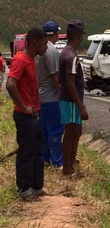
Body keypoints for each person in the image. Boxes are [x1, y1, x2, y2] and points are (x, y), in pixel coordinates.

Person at [6, 28, 48, 198]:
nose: (46, 47)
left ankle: (36, 186)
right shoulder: (21, 60)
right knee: (27, 151)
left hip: (34, 114)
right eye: (44, 43)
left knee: (38, 150)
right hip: (25, 116)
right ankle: (24, 189)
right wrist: (23, 107)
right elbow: (10, 84)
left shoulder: (31, 60)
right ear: (34, 42)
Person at [59, 20, 88, 179]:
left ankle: (71, 165)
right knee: (71, 133)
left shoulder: (66, 52)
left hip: (69, 100)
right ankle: (67, 169)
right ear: (78, 35)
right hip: (70, 101)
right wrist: (81, 106)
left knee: (76, 131)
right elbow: (70, 84)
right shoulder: (71, 56)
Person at [37, 21, 64, 169]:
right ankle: (57, 161)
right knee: (55, 129)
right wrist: (60, 92)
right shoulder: (51, 50)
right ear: (56, 35)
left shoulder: (39, 50)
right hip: (51, 97)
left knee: (45, 130)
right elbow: (54, 76)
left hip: (41, 96)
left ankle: (45, 158)